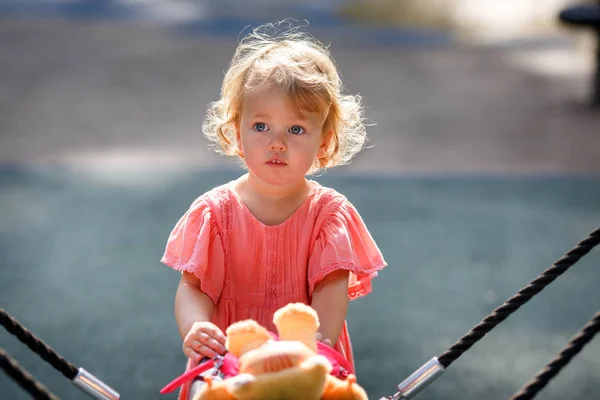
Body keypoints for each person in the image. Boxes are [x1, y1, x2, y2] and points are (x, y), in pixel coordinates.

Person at [161, 21, 387, 399]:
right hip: (231, 362)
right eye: (261, 126)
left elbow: (331, 291)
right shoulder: (214, 214)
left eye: (296, 130)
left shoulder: (328, 216)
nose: (277, 143)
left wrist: (318, 342)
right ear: (237, 131)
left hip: (303, 358)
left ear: (324, 140)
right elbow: (193, 287)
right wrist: (196, 327)